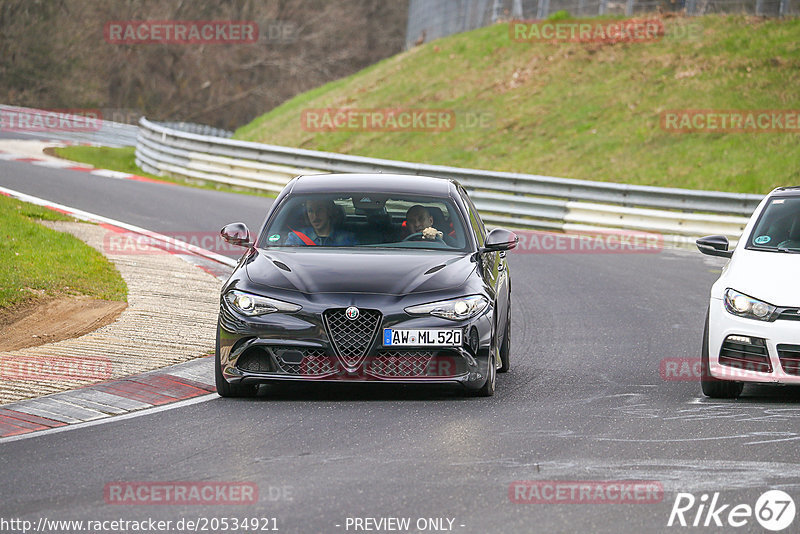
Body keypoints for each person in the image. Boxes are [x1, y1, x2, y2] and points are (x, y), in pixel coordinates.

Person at [286, 199, 356, 246]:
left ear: (329, 211)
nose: (315, 216)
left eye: (320, 210)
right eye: (310, 211)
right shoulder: (296, 238)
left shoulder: (347, 239)